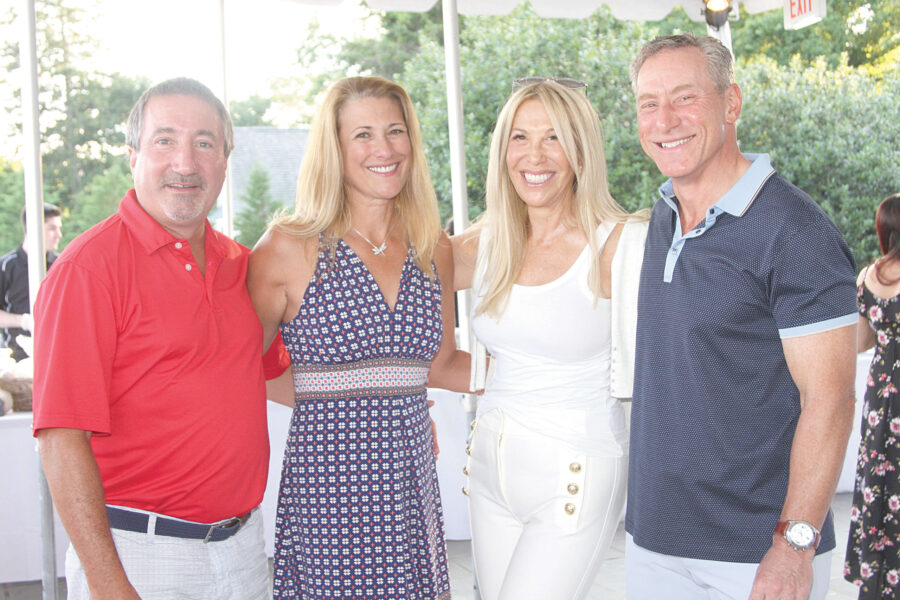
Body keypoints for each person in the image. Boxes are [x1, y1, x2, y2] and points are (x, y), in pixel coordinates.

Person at [625, 33, 858, 600]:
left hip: (755, 558)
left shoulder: (795, 231)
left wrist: (793, 547)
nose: (665, 120)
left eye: (685, 98)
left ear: (731, 103)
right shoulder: (659, 219)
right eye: (648, 103)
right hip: (652, 543)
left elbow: (830, 400)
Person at [31, 78, 270, 600]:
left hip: (245, 550)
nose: (185, 162)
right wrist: (106, 580)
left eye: (205, 143)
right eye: (165, 140)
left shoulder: (240, 265)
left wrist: (390, 403)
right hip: (140, 556)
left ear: (225, 160)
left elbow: (279, 375)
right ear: (132, 155)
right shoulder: (88, 269)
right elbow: (61, 438)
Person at [248, 76, 470, 599]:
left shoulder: (431, 246)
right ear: (335, 148)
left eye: (396, 131)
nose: (384, 149)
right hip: (329, 496)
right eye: (363, 134)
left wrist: (544, 376)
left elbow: (439, 364)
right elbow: (242, 364)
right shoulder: (288, 246)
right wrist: (341, 401)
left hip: (411, 486)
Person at [451, 79, 648, 599]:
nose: (534, 155)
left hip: (575, 474)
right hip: (489, 472)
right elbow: (388, 275)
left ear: (581, 150)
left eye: (554, 137)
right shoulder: (485, 241)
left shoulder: (619, 244)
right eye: (520, 137)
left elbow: (675, 360)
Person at [844, 193, 900, 598]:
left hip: (882, 396)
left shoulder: (868, 277)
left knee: (881, 479)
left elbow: (860, 341)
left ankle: (879, 578)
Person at [0, 202, 62, 361]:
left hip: (54, 357)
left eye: (59, 228)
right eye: (52, 229)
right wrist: (24, 321)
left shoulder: (61, 265)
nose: (58, 235)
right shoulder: (6, 266)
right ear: (34, 228)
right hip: (14, 360)